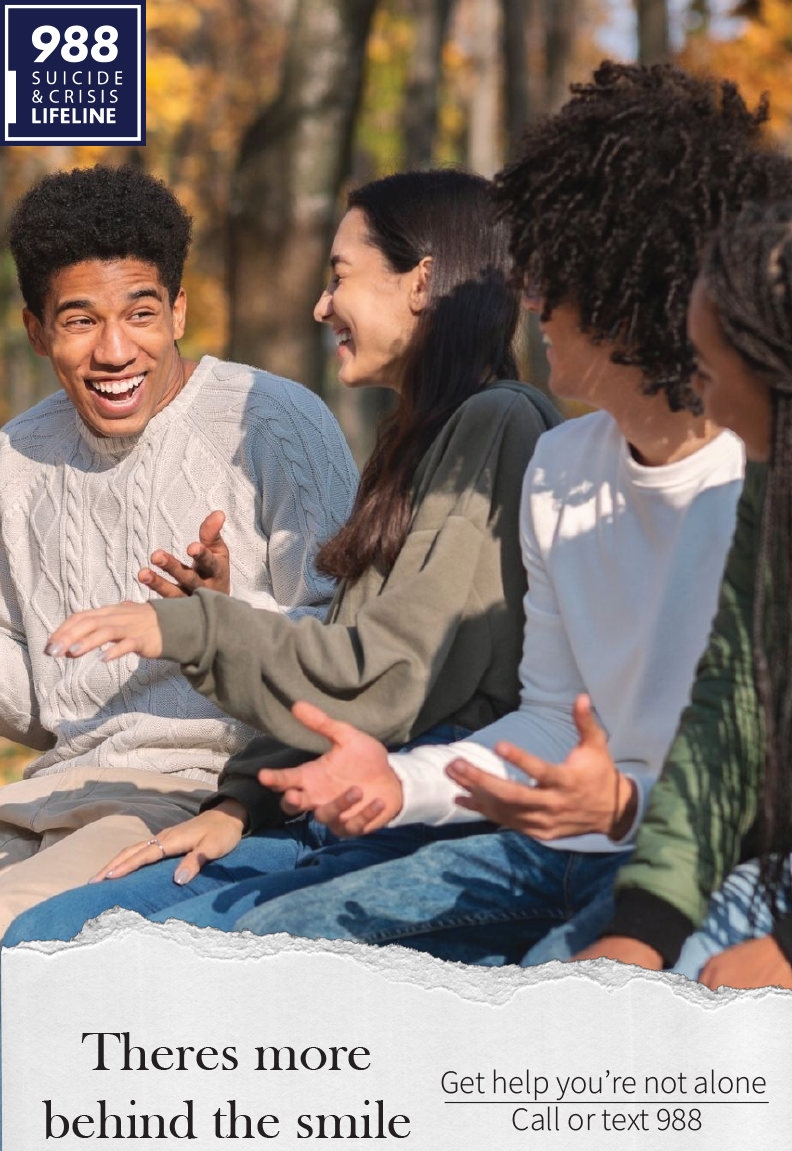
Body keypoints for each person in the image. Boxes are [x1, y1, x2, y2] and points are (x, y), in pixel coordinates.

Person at [76, 60, 792, 964]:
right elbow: (540, 721)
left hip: (688, 859)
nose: (523, 292)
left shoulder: (742, 483)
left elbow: (731, 761)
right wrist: (396, 782)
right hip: (549, 845)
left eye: (555, 266)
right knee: (261, 958)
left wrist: (626, 833)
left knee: (556, 1029)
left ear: (627, 279)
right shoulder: (563, 464)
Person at [2, 168, 558, 944]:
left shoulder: (494, 423)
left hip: (415, 812)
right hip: (285, 799)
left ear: (423, 282)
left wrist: (198, 627)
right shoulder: (417, 441)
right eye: (80, 321)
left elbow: (387, 675)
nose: (321, 305)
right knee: (58, 928)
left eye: (339, 278)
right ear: (39, 332)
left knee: (45, 940)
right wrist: (240, 807)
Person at [0, 163, 359, 933]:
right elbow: (43, 697)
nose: (116, 350)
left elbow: (351, 644)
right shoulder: (15, 458)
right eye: (80, 320)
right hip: (53, 791)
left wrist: (221, 619)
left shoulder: (273, 423)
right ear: (37, 331)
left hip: (207, 791)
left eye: (140, 313)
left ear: (179, 310)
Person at [575, 202, 792, 990]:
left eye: (707, 364)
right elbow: (731, 704)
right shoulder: (770, 486)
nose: (693, 387)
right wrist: (647, 923)